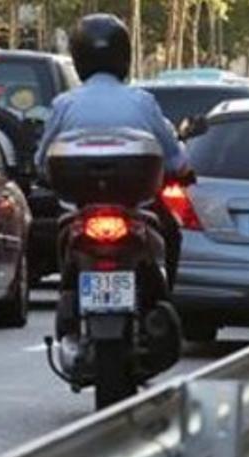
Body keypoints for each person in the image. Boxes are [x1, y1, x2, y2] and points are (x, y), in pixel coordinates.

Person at [35, 13, 187, 289]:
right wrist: (182, 170)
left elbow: (41, 159)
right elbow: (175, 157)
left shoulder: (64, 104)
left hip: (79, 207)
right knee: (172, 232)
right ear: (124, 56)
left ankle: (68, 293)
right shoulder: (142, 102)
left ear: (79, 58)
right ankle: (166, 297)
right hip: (138, 205)